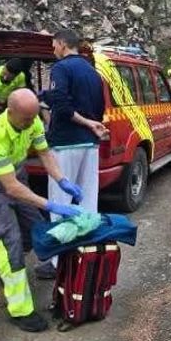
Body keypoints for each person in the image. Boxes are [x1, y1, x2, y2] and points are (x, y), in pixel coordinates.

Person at [0, 89, 85, 332]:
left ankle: (12, 269)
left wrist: (62, 180)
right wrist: (51, 204)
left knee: (34, 230)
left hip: (17, 175)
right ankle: (20, 309)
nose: (31, 123)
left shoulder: (30, 120)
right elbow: (10, 188)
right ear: (10, 112)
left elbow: (44, 152)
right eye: (26, 119)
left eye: (33, 117)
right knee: (9, 240)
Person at [45, 29, 107, 217]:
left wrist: (87, 123)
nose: (53, 49)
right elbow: (99, 106)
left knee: (60, 199)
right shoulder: (93, 71)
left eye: (54, 45)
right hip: (90, 145)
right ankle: (88, 241)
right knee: (88, 199)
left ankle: (61, 241)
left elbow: (62, 106)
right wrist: (91, 124)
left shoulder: (60, 68)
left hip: (66, 144)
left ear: (63, 44)